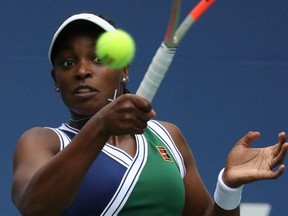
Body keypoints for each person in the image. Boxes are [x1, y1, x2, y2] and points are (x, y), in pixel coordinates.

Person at [11, 12, 288, 216]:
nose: (82, 70)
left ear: (124, 70)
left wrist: (228, 187)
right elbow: (34, 206)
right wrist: (100, 127)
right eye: (68, 62)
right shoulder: (41, 142)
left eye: (98, 59)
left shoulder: (169, 137)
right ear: (56, 79)